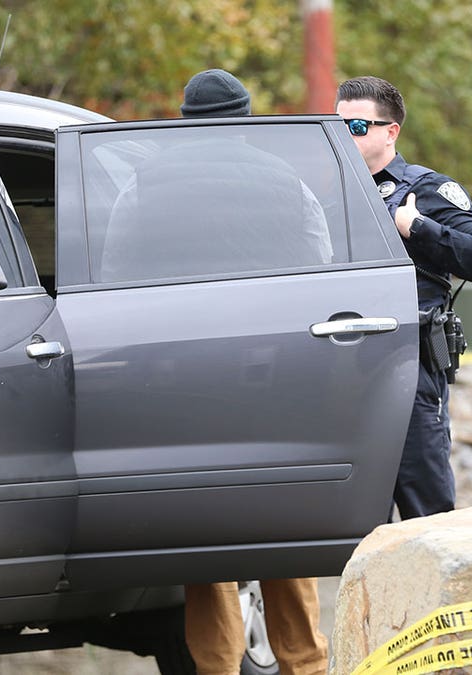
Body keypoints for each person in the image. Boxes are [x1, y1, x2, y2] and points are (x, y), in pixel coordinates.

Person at [176, 68, 329, 675]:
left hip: (184, 380)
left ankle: (216, 667)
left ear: (186, 125)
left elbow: (112, 271)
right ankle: (306, 664)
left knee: (207, 536)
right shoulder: (288, 182)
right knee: (282, 526)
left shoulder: (142, 184)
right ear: (245, 121)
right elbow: (322, 272)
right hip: (275, 380)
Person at [335, 76, 472, 520]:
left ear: (391, 131)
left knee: (426, 512)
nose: (344, 134)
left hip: (409, 368)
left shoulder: (422, 189)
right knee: (352, 522)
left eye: (357, 126)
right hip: (335, 368)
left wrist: (419, 229)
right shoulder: (326, 192)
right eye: (337, 124)